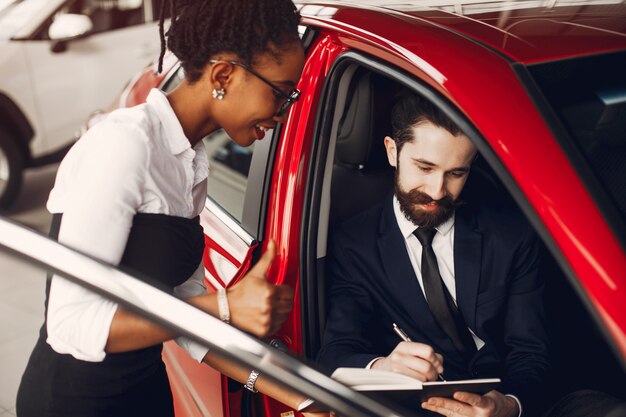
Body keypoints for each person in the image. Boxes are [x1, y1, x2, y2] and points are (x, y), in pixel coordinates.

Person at [16, 0, 306, 416]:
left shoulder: (190, 161)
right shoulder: (125, 145)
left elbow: (188, 320)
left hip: (144, 394)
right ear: (223, 75)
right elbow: (70, 325)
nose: (283, 112)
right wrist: (226, 306)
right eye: (280, 92)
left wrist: (290, 393)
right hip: (74, 402)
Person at [317, 92, 550, 417]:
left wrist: (509, 405)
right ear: (392, 151)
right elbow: (336, 352)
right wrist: (381, 367)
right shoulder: (354, 243)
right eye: (424, 167)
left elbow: (530, 351)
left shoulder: (511, 233)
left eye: (456, 173)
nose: (438, 191)